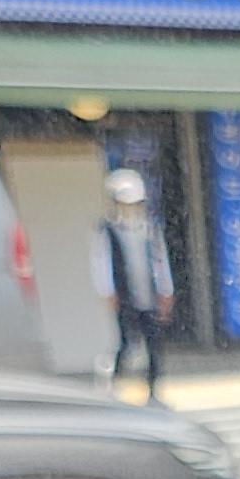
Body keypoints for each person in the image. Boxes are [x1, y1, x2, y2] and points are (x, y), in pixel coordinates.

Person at [92, 165, 175, 393]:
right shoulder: (107, 229)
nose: (131, 209)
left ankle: (153, 387)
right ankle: (113, 382)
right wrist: (107, 291)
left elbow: (160, 260)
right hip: (124, 293)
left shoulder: (150, 228)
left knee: (154, 342)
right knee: (126, 342)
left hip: (148, 293)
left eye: (136, 204)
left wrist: (166, 290)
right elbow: (101, 262)